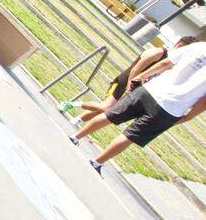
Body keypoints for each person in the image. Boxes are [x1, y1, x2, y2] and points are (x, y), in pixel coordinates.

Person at [71, 41, 206, 174]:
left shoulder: (199, 46)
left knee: (110, 115)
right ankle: (97, 161)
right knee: (131, 136)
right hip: (170, 109)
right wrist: (189, 116)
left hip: (151, 89)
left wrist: (141, 76)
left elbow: (166, 63)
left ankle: (76, 136)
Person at [66, 37, 198, 122]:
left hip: (139, 88)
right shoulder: (159, 53)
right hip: (126, 81)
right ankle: (70, 104)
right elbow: (136, 69)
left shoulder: (174, 62)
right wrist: (130, 86)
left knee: (107, 111)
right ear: (179, 44)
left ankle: (78, 120)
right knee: (105, 107)